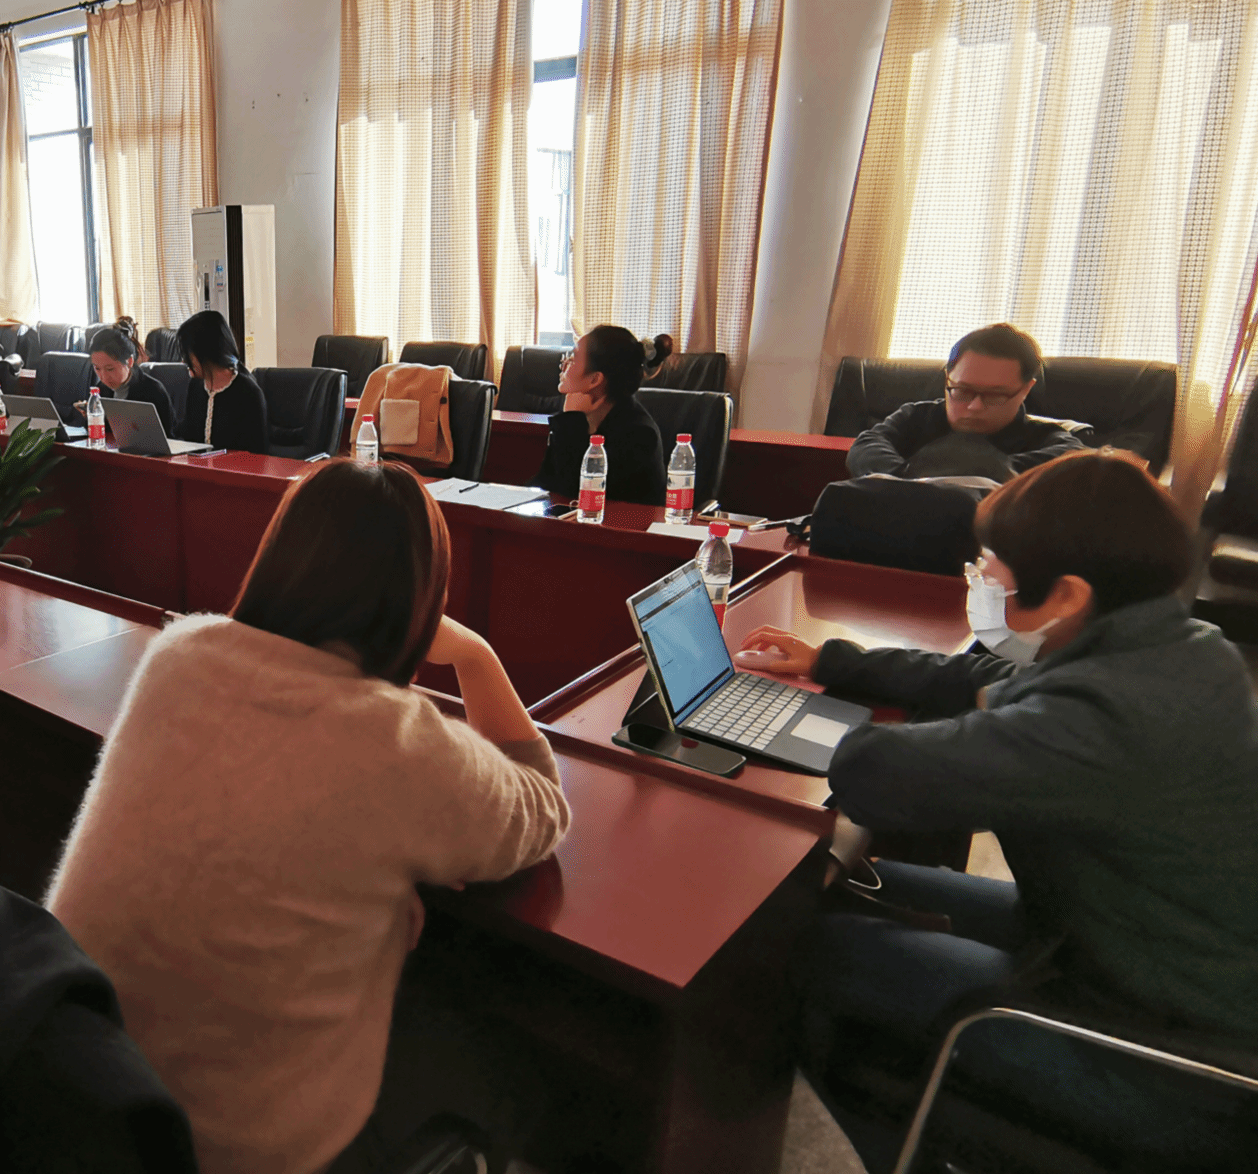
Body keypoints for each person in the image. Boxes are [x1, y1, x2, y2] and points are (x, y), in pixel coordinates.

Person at [47, 458, 571, 1174]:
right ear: (420, 602)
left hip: (74, 1086)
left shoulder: (179, 653)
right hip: (235, 1151)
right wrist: (474, 655)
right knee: (520, 1079)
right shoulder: (396, 740)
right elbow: (542, 804)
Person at [739, 450, 1258, 1171]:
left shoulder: (1104, 719)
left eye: (992, 573)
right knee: (833, 887)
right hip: (1113, 944)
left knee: (800, 948)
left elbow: (877, 776)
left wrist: (789, 723)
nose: (980, 583)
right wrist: (831, 660)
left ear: (1068, 594)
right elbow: (989, 677)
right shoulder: (1187, 648)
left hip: (1160, 1056)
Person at [847, 323, 1088, 481]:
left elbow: (1075, 458)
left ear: (1026, 390)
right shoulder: (916, 417)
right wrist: (909, 476)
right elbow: (867, 445)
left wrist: (990, 470)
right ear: (947, 378)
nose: (975, 406)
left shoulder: (1044, 438)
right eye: (962, 391)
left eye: (995, 396)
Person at [531, 326, 670, 505]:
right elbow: (546, 481)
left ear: (595, 379)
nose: (563, 365)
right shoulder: (582, 415)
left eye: (573, 359)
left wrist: (572, 419)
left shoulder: (639, 435)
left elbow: (575, 491)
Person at [176, 309, 269, 454]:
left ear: (205, 352)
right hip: (197, 468)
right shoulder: (195, 387)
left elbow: (257, 455)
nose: (184, 361)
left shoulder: (248, 393)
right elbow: (189, 438)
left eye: (187, 353)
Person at [88, 315, 176, 437]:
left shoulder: (154, 391)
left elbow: (168, 438)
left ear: (129, 362)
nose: (103, 377)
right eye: (97, 368)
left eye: (110, 369)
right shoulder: (101, 390)